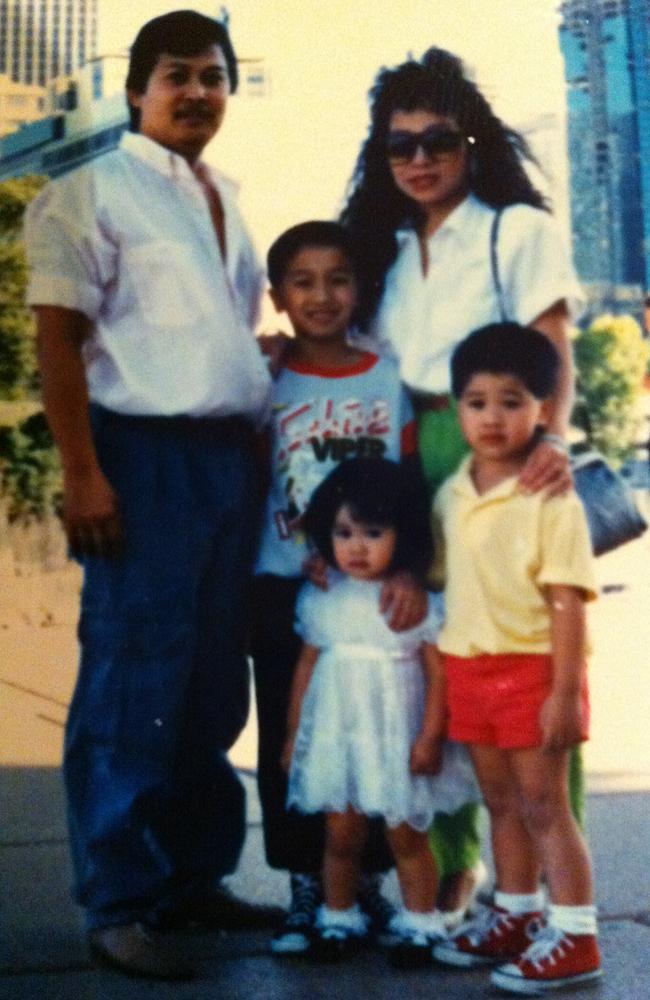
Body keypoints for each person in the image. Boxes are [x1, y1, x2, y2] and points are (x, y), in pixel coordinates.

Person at [24, 10, 281, 982]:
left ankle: (192, 881)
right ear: (136, 89)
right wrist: (83, 472)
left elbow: (216, 335)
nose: (198, 92)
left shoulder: (226, 197)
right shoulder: (89, 191)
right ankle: (119, 899)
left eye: (213, 76)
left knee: (212, 681)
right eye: (177, 75)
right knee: (136, 677)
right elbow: (59, 341)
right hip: (140, 457)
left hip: (229, 460)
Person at [340, 46, 584, 923]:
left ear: (471, 141)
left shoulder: (516, 230)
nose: (419, 158)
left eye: (437, 139)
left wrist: (549, 437)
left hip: (497, 448)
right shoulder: (384, 250)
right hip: (410, 452)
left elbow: (552, 342)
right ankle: (465, 868)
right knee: (438, 662)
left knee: (521, 661)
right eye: (399, 144)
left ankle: (561, 887)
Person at [251, 221, 430, 956]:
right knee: (292, 742)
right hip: (283, 585)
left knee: (379, 737)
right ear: (278, 295)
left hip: (374, 599)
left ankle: (365, 888)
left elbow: (414, 489)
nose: (322, 296)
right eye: (302, 281)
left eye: (338, 279)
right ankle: (305, 886)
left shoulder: (386, 378)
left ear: (360, 289)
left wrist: (412, 570)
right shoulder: (263, 380)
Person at [431, 323, 601, 994]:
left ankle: (577, 933)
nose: (494, 417)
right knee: (499, 801)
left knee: (544, 805)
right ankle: (517, 913)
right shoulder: (453, 491)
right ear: (456, 409)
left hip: (532, 672)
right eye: (477, 402)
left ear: (543, 407)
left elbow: (568, 603)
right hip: (470, 670)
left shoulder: (551, 497)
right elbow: (442, 577)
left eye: (512, 400)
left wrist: (563, 692)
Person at [282, 457, 479, 967]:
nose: (357, 546)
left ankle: (420, 924)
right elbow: (306, 667)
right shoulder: (321, 599)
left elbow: (438, 673)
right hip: (338, 737)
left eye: (373, 532)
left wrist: (431, 736)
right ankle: (339, 916)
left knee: (406, 836)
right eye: (344, 532)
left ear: (403, 533)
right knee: (340, 836)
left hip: (398, 734)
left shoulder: (415, 604)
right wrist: (293, 737)